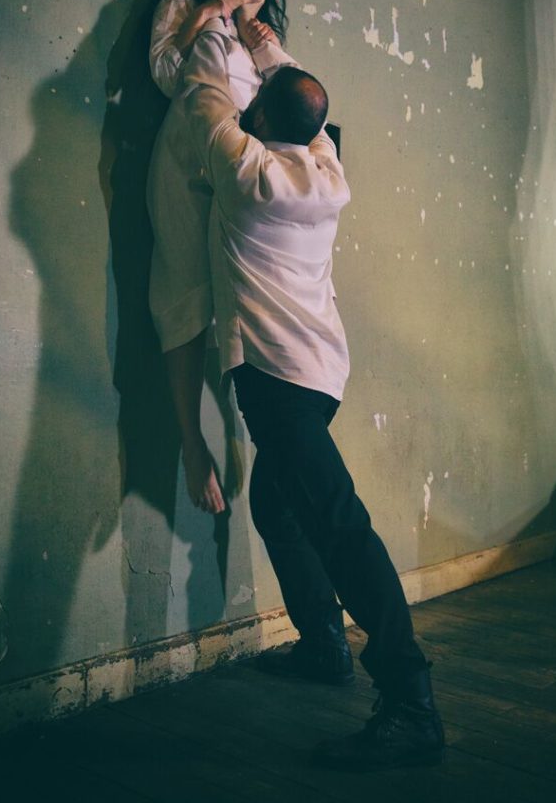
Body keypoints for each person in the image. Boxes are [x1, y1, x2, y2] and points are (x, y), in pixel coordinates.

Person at [182, 60, 445, 769]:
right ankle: (325, 645)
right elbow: (308, 117)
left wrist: (224, 28)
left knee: (339, 527)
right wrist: (270, 53)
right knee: (277, 503)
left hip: (275, 379)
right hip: (323, 375)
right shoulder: (329, 172)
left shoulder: (246, 170)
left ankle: (411, 703)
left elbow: (204, 92)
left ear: (263, 117)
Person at [147, 0, 297, 514]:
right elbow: (167, 76)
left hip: (239, 173)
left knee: (253, 301)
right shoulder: (181, 8)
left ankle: (276, 443)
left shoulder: (257, 34)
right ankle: (192, 442)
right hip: (187, 167)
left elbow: (288, 109)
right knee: (185, 296)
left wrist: (261, 42)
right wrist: (206, 15)